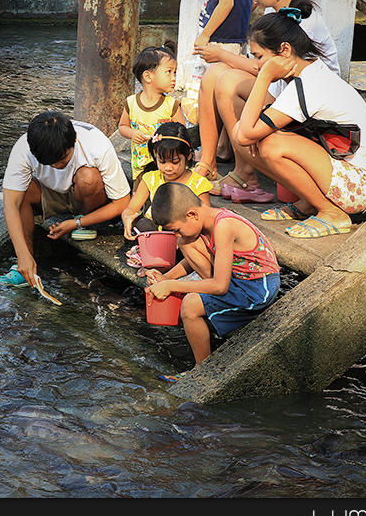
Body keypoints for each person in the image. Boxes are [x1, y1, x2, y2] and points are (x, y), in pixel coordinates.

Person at [228, 0, 366, 238]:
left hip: (362, 188)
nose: (257, 65)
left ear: (284, 51)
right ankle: (310, 203)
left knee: (271, 145)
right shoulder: (308, 71)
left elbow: (245, 135)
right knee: (253, 133)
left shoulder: (308, 85)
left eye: (260, 57)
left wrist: (264, 77)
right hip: (347, 173)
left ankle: (331, 213)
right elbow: (247, 129)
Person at [193, 0, 338, 204]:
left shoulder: (298, 21)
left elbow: (265, 69)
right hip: (284, 88)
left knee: (227, 80)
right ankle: (208, 164)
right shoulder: (283, 14)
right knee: (214, 74)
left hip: (306, 102)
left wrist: (221, 53)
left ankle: (245, 173)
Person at [144, 182, 280, 367]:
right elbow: (194, 260)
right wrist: (166, 277)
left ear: (192, 214)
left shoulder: (224, 226)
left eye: (176, 229)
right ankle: (203, 291)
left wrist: (171, 286)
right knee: (187, 242)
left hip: (257, 288)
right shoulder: (207, 222)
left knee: (190, 306)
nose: (176, 235)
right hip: (237, 278)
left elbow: (220, 286)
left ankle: (203, 371)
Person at [0, 111, 131, 287]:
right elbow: (11, 205)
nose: (57, 166)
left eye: (62, 160)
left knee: (88, 178)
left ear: (74, 139)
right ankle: (25, 266)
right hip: (49, 193)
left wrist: (77, 223)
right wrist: (22, 255)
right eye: (49, 163)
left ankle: (84, 221)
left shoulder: (96, 145)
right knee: (19, 192)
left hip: (86, 198)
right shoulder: (24, 148)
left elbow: (122, 202)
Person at [121, 122, 212, 267]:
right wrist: (126, 217)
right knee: (144, 224)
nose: (168, 168)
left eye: (175, 161)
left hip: (184, 236)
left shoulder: (198, 183)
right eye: (162, 161)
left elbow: (206, 221)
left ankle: (157, 260)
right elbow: (131, 209)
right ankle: (154, 257)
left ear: (188, 155)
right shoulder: (150, 178)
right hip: (155, 233)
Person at [116, 42, 183, 187]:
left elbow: (181, 134)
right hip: (140, 164)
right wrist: (132, 133)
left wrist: (164, 136)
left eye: (175, 72)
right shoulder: (131, 102)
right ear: (148, 76)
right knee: (141, 193)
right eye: (169, 72)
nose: (174, 77)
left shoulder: (171, 105)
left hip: (167, 164)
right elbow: (122, 126)